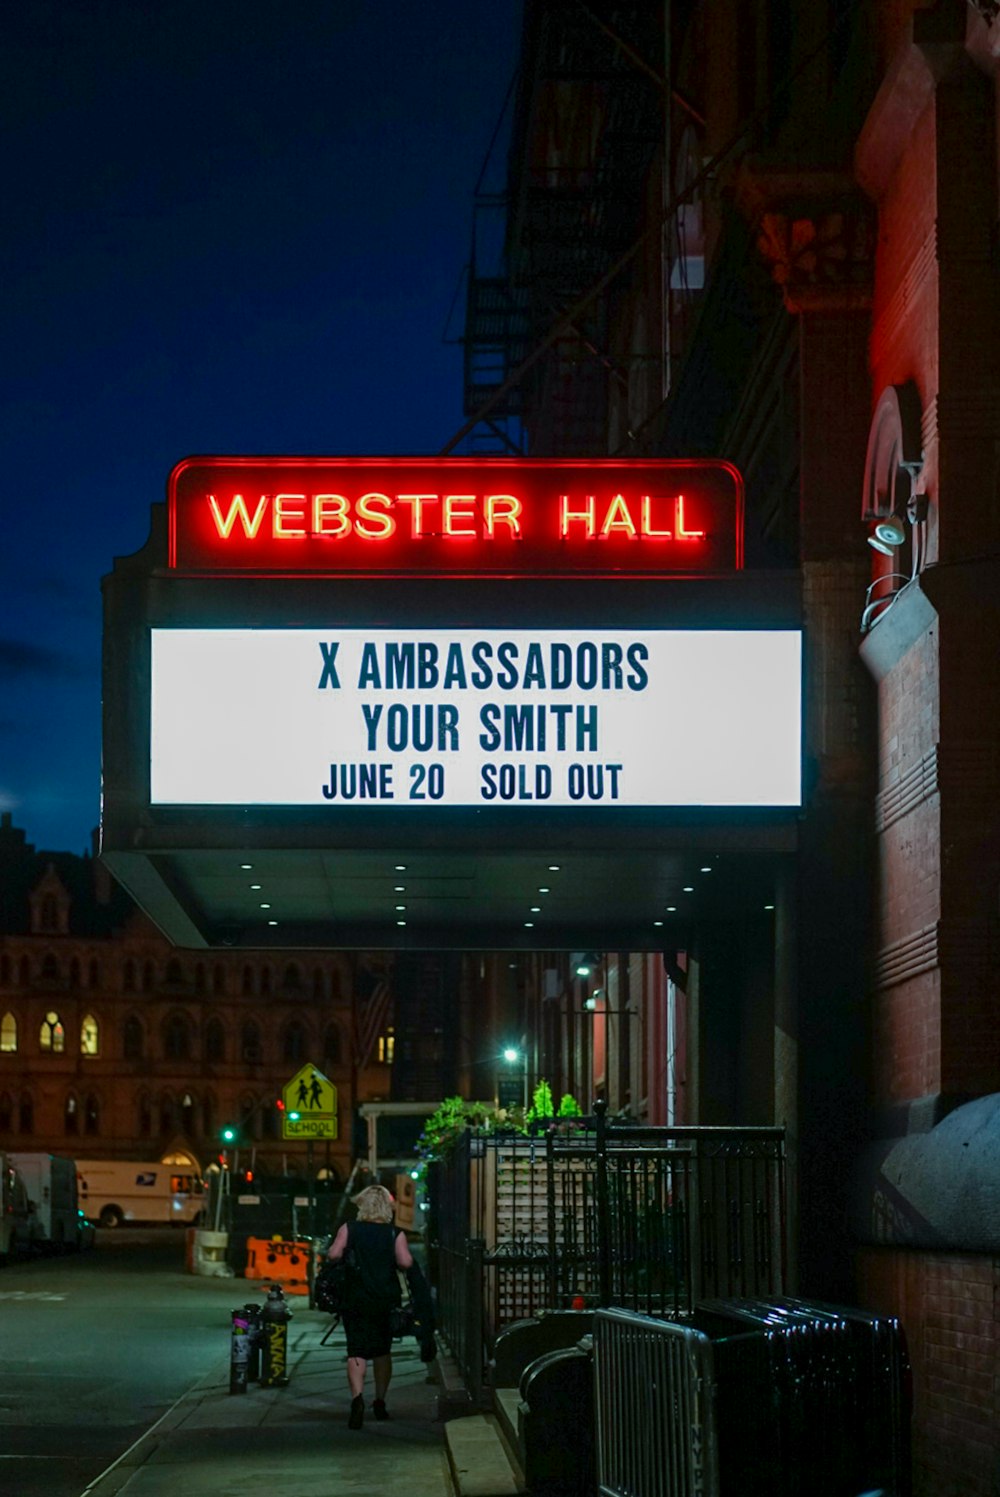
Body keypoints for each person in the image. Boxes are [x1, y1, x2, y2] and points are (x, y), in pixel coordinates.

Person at [327, 1183, 413, 1429]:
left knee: (357, 1350)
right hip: (384, 1299)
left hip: (355, 1297)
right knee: (382, 1351)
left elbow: (333, 1255)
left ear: (362, 1206)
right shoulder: (393, 1233)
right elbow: (405, 1262)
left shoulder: (349, 1228)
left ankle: (357, 1399)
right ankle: (380, 1401)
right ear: (387, 1207)